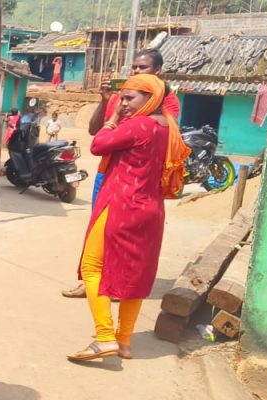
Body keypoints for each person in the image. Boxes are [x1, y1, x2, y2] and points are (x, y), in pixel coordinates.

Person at [67, 74, 190, 361]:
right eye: (122, 97)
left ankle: (104, 336)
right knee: (136, 276)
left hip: (121, 204)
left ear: (152, 99)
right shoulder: (168, 128)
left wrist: (112, 121)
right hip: (151, 210)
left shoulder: (139, 125)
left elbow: (98, 144)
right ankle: (124, 342)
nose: (122, 103)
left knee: (91, 267)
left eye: (129, 98)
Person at [62, 49, 182, 298]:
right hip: (111, 172)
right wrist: (107, 102)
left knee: (127, 235)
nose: (136, 71)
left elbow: (156, 133)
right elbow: (96, 131)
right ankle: (92, 280)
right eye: (135, 67)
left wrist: (120, 124)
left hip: (138, 179)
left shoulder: (164, 101)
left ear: (157, 71)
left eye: (143, 67)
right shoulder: (124, 96)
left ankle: (117, 284)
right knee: (100, 228)